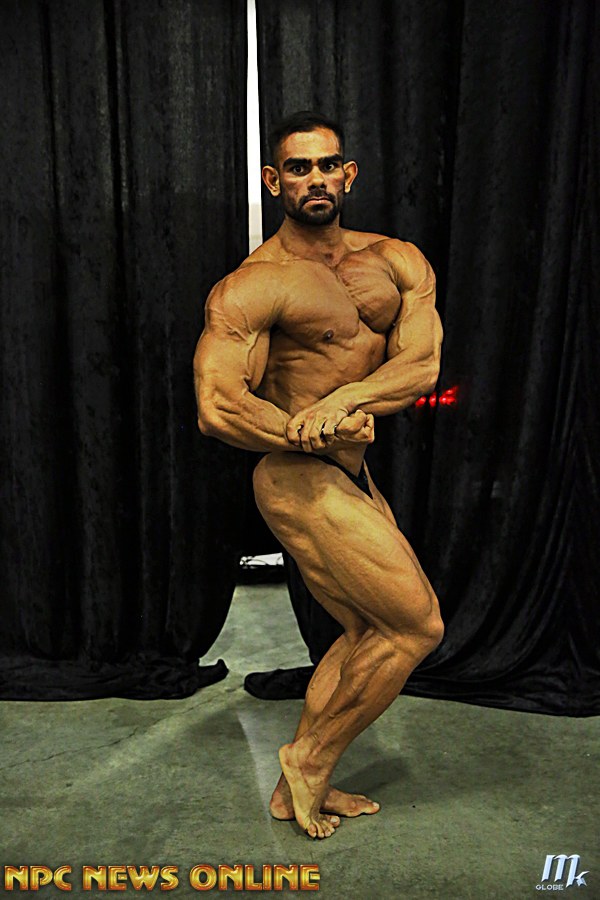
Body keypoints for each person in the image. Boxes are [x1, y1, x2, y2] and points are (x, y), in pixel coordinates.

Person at [194, 111, 444, 840]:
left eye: (327, 165)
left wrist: (345, 401)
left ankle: (297, 788)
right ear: (274, 182)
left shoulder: (397, 261)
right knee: (416, 626)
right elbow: (218, 405)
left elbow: (422, 365)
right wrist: (308, 429)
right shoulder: (255, 283)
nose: (315, 179)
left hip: (353, 474)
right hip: (296, 474)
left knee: (368, 629)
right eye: (298, 168)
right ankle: (308, 760)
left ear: (348, 174)